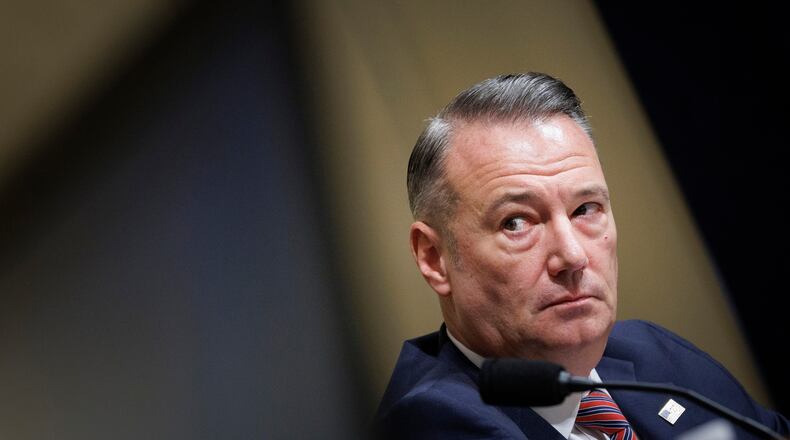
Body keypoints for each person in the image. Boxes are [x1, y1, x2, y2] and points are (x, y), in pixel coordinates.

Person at [374, 73, 789, 439]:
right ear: (433, 257)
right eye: (517, 222)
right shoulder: (431, 421)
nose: (572, 256)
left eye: (585, 209)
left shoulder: (650, 353)